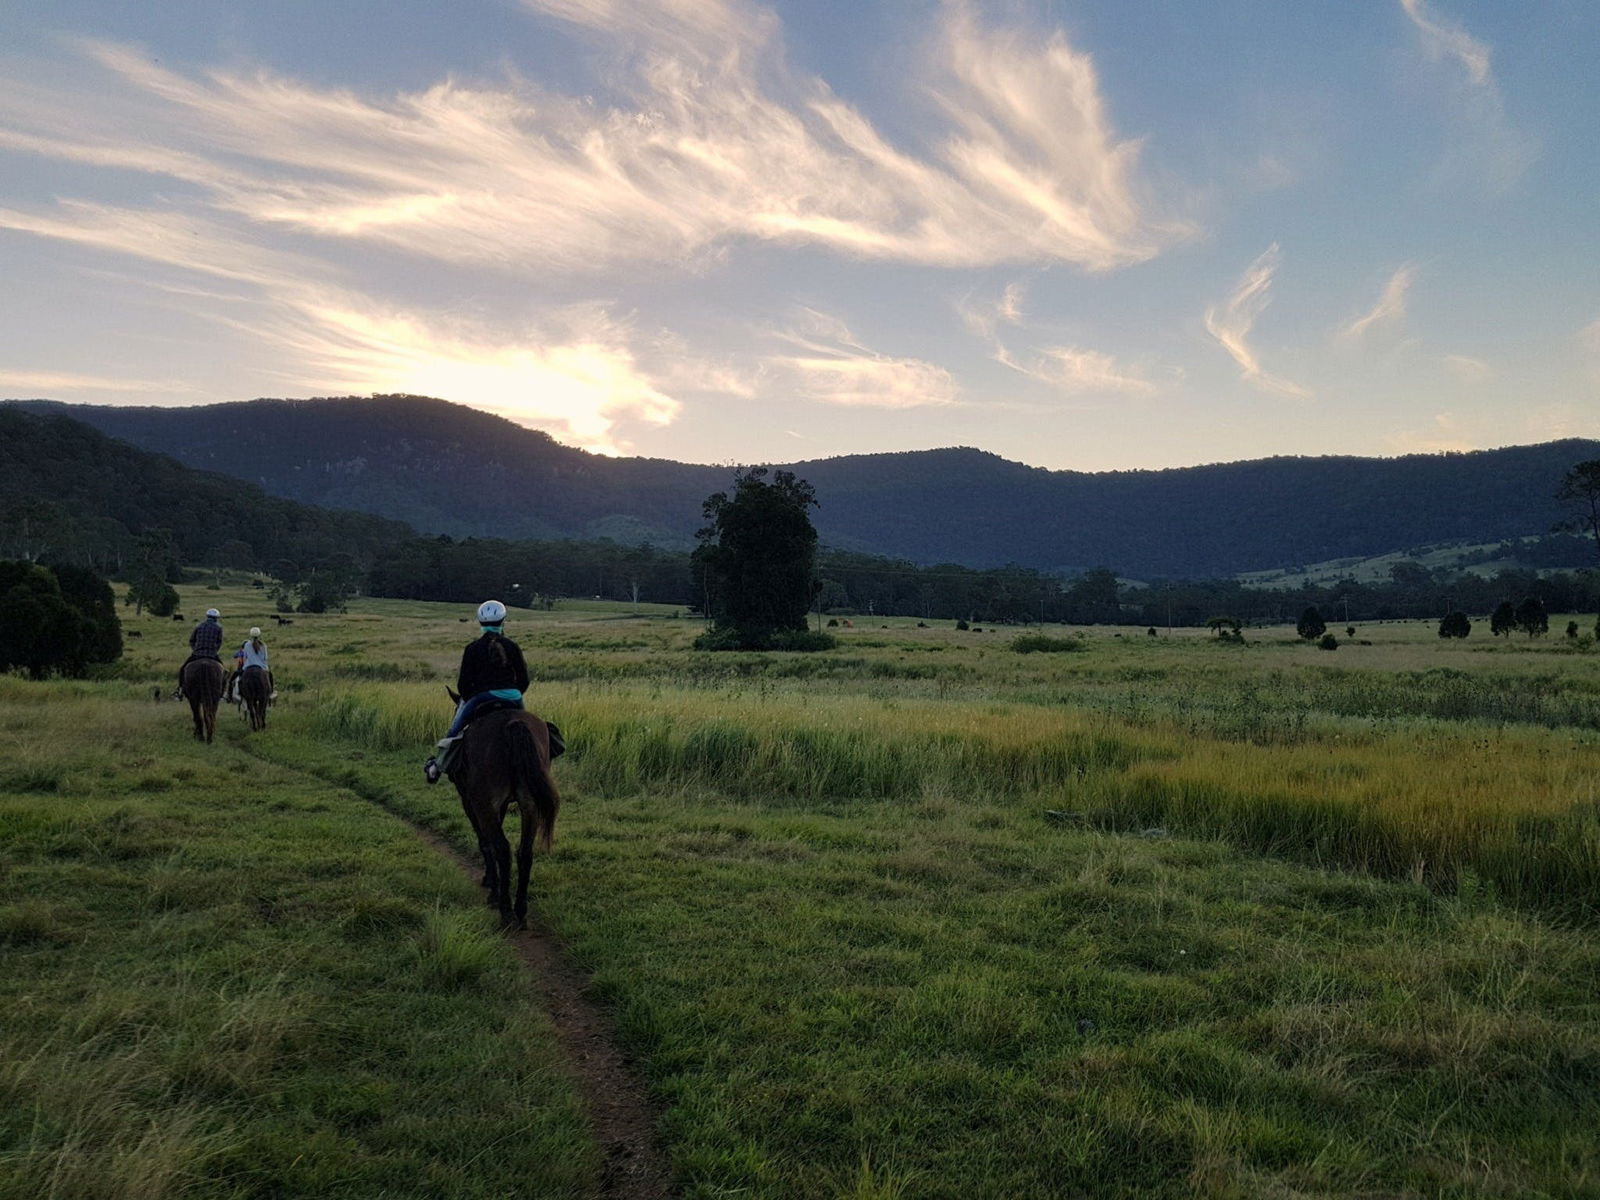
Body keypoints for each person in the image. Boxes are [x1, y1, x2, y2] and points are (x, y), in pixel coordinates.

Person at [425, 600, 529, 783]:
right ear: (503, 621)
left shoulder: (472, 648)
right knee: (527, 729)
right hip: (513, 696)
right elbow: (524, 680)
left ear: (480, 622)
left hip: (481, 697)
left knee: (455, 730)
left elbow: (463, 686)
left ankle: (437, 766)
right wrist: (513, 693)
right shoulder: (512, 646)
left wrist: (471, 696)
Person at [178, 608, 223, 697]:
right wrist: (214, 650)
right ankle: (222, 692)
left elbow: (192, 640)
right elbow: (219, 642)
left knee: (182, 669)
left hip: (197, 654)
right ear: (216, 618)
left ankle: (180, 690)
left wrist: (195, 649)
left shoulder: (199, 626)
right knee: (224, 671)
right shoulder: (219, 628)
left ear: (207, 616)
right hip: (212, 654)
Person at [228, 627, 275, 703]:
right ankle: (270, 693)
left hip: (248, 667)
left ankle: (235, 694)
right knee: (270, 676)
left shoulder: (247, 645)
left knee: (236, 679)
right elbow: (265, 658)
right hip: (261, 667)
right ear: (259, 635)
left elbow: (245, 657)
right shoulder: (264, 646)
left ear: (251, 635)